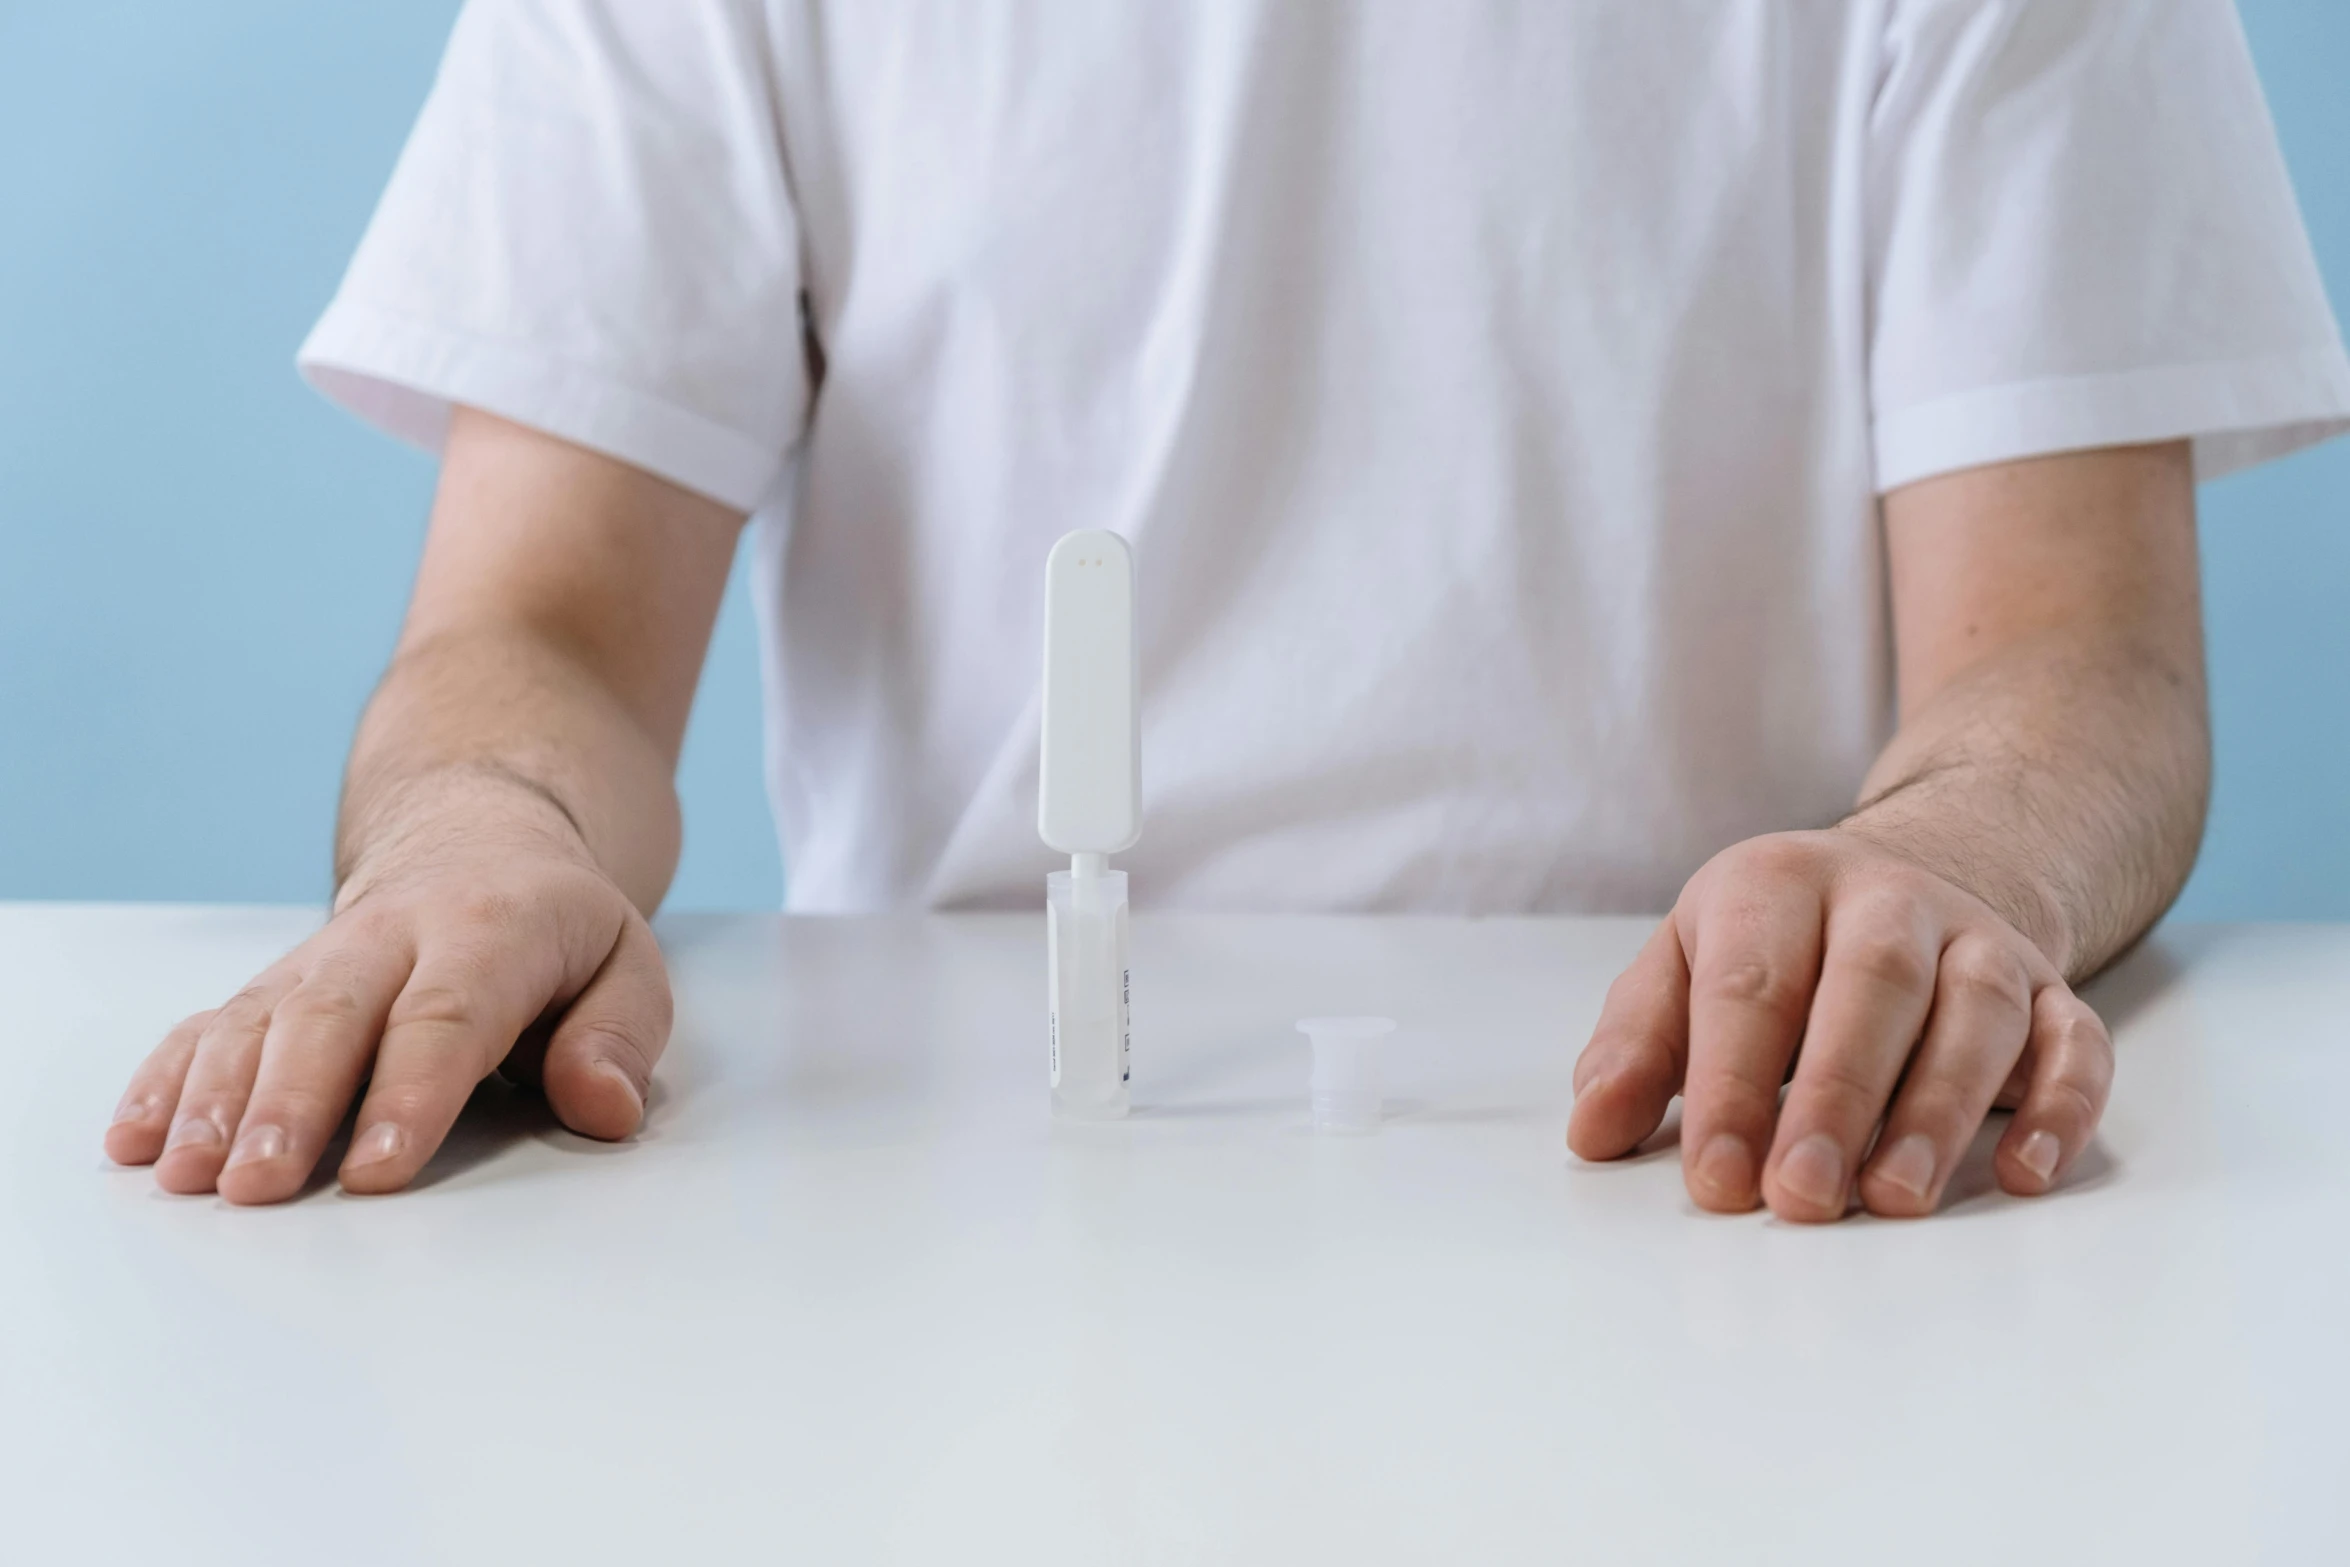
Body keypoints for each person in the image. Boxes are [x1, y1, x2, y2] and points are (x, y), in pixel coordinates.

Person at [103, 1, 2348, 1219]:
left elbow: (2069, 657)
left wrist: (1944, 870)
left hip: (1726, 1154)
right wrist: (481, 831)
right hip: (957, 1196)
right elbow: (550, 637)